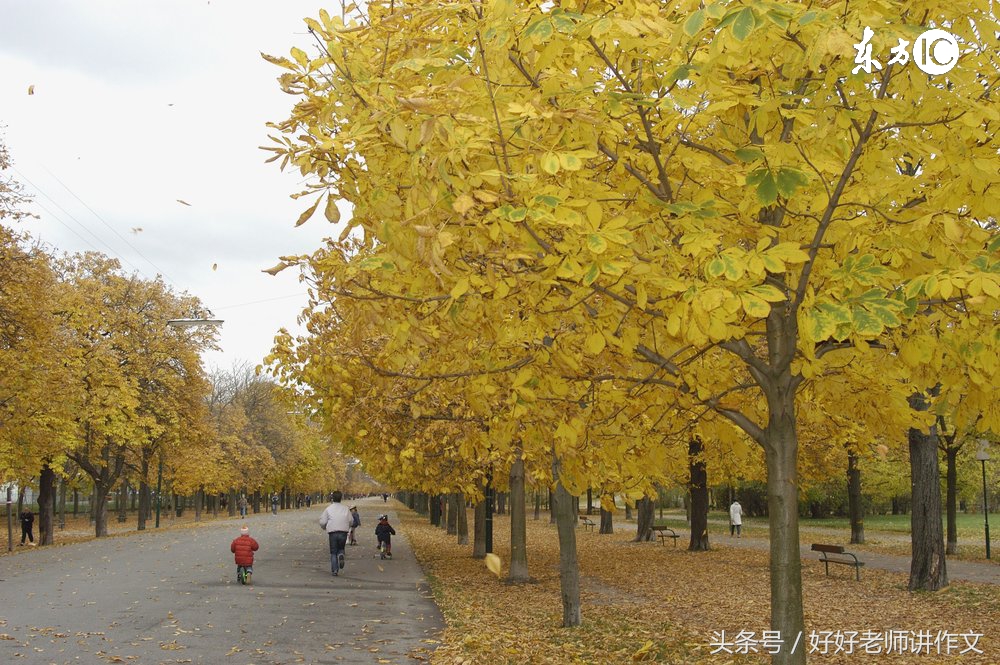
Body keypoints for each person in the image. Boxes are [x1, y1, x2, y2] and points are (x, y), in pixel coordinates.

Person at [319, 490, 352, 576]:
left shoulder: (329, 509)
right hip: (343, 532)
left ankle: (335, 570)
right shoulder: (346, 509)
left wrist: (324, 527)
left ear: (332, 498)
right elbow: (351, 520)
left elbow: (322, 522)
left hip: (333, 532)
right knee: (341, 548)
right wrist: (348, 526)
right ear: (341, 498)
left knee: (333, 552)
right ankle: (341, 554)